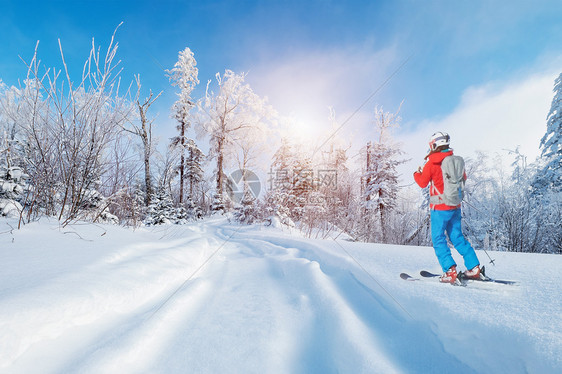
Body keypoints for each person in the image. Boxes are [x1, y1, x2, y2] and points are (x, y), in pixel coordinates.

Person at [413, 132, 481, 284]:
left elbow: (423, 182)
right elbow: (463, 177)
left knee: (438, 239)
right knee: (457, 237)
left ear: (435, 145)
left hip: (439, 208)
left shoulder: (431, 163)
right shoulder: (455, 161)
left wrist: (416, 174)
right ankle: (474, 267)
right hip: (455, 206)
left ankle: (449, 270)